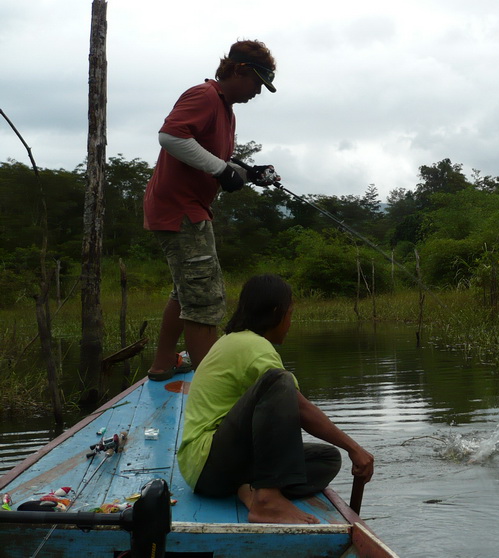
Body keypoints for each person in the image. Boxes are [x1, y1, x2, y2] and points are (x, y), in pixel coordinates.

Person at [177, 274, 375, 524]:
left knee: (326, 460)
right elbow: (301, 408)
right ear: (276, 312)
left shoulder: (237, 341)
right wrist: (355, 448)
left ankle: (248, 489)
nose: (290, 322)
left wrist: (346, 450)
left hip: (218, 471)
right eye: (290, 313)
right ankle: (267, 499)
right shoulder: (251, 344)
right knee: (278, 381)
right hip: (207, 462)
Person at [143, 39, 280, 381]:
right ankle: (211, 384)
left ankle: (163, 364)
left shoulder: (226, 111)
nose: (257, 93)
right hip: (180, 209)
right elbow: (171, 138)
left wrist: (250, 172)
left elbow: (214, 159)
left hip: (190, 208)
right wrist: (221, 171)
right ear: (239, 71)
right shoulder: (205, 95)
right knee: (204, 299)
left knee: (186, 290)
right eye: (256, 84)